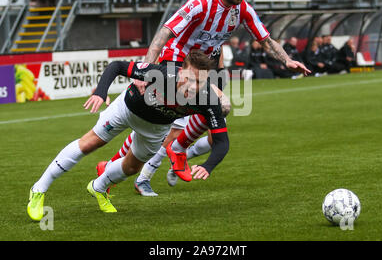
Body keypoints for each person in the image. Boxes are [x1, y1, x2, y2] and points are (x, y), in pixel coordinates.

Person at [99, 0, 310, 195]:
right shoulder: (201, 2)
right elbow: (165, 32)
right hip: (176, 63)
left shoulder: (241, 10)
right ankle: (158, 162)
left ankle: (124, 166)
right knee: (170, 119)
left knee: (184, 116)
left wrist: (287, 60)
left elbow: (265, 40)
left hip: (201, 71)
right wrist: (146, 70)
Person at [27, 51, 230, 220]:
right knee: (90, 143)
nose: (192, 86)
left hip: (156, 129)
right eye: (188, 78)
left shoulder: (208, 100)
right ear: (180, 71)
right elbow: (117, 66)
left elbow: (222, 141)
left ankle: (98, 187)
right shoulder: (163, 73)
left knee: (132, 167)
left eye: (199, 82)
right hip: (126, 109)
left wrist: (208, 166)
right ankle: (38, 189)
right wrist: (100, 91)